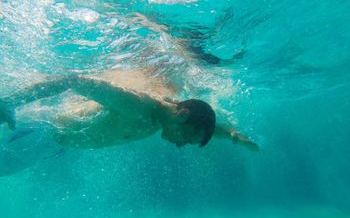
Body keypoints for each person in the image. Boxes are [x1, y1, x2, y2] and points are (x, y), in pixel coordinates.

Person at [0, 68, 258, 150]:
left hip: (55, 147)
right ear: (182, 115)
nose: (181, 145)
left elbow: (211, 126)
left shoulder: (162, 119)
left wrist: (234, 135)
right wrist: (10, 103)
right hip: (34, 131)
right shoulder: (138, 105)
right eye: (186, 139)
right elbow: (73, 81)